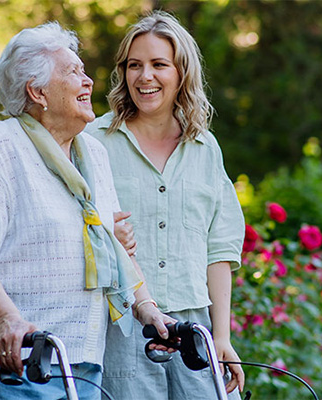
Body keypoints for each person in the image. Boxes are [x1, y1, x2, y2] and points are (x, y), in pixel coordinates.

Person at [0, 21, 174, 399]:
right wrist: (7, 318)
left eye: (83, 71)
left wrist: (147, 308)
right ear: (38, 92)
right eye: (73, 72)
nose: (88, 81)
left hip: (81, 357)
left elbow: (112, 246)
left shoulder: (93, 154)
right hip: (15, 358)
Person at [86, 11, 246, 399]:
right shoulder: (93, 142)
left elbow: (219, 249)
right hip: (122, 326)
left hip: (194, 329)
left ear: (182, 73)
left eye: (159, 64)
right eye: (134, 65)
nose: (145, 76)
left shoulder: (205, 148)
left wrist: (221, 337)